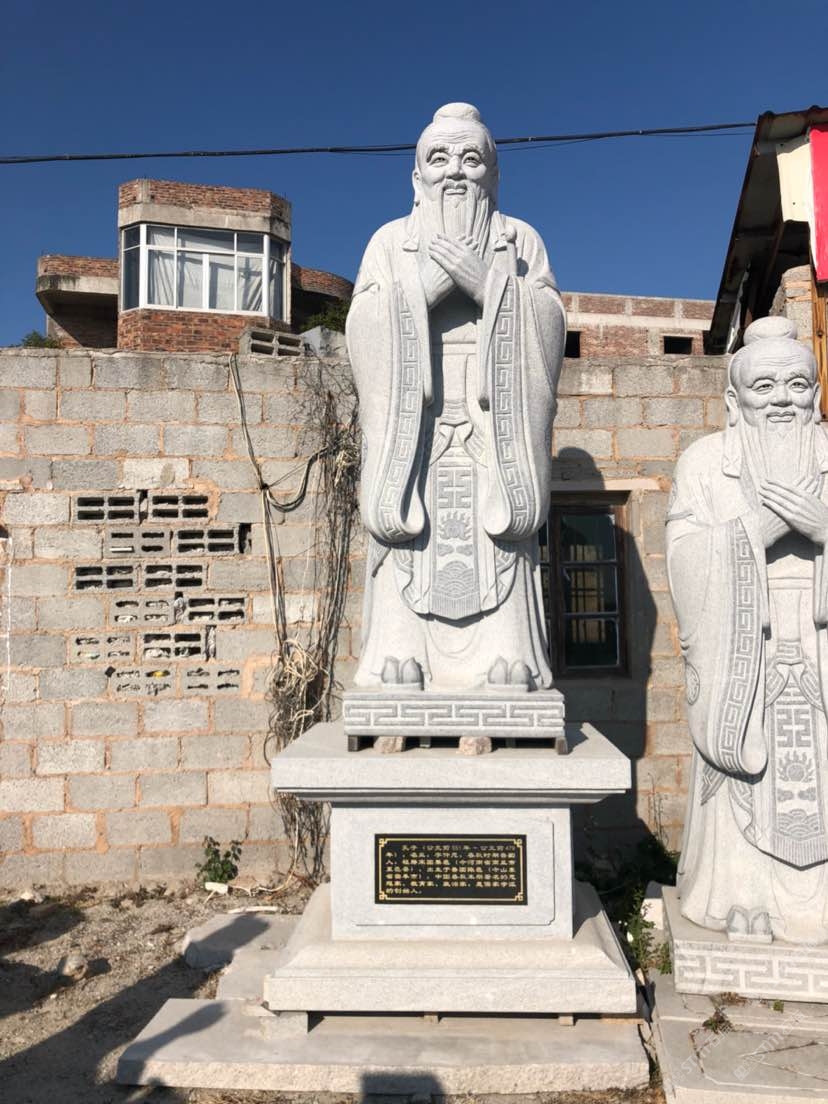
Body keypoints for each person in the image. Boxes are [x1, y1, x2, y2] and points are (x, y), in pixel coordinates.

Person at [346, 102, 566, 692]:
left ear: (494, 174)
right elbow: (363, 328)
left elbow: (548, 321)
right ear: (416, 176)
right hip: (414, 426)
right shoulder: (390, 242)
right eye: (439, 158)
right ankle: (398, 653)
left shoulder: (520, 240)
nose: (455, 172)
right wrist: (421, 291)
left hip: (494, 421)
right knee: (411, 536)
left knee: (499, 533)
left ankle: (509, 655)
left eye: (472, 159)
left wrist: (488, 286)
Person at [666, 315, 828, 944]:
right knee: (745, 778)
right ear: (735, 400)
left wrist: (821, 530)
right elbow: (683, 558)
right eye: (764, 386)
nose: (782, 399)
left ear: (815, 392)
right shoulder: (705, 464)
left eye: (796, 384)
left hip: (819, 642)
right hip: (743, 651)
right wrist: (755, 534)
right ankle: (741, 896)